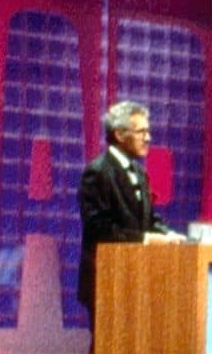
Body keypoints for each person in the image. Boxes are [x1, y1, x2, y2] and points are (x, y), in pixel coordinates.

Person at [76, 99, 180, 312]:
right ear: (120, 135)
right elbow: (99, 228)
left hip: (136, 277)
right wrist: (146, 239)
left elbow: (148, 218)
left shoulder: (139, 173)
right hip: (106, 278)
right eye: (141, 132)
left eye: (147, 131)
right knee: (105, 344)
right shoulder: (97, 172)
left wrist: (168, 235)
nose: (148, 138)